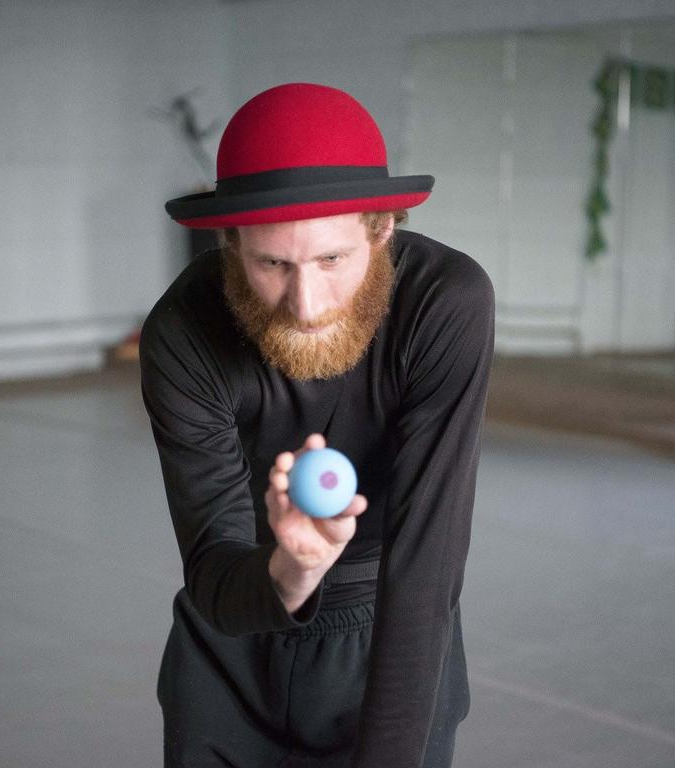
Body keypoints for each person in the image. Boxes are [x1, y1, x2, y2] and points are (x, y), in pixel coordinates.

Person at [140, 82, 495, 768]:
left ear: (381, 229)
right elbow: (213, 568)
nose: (305, 305)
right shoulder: (181, 330)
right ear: (229, 241)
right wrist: (293, 569)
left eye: (332, 259)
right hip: (234, 630)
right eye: (272, 263)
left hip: (390, 633)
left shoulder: (445, 303)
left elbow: (425, 571)